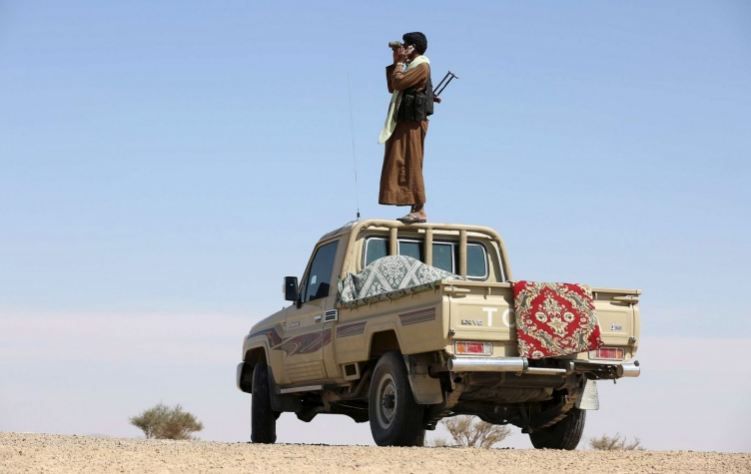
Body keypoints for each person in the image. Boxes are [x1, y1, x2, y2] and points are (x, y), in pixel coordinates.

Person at [378, 32, 433, 224]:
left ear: (412, 47)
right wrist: (397, 62)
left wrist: (400, 63)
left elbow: (399, 82)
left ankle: (419, 210)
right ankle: (415, 208)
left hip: (412, 122)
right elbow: (393, 87)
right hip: (404, 120)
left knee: (412, 162)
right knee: (402, 162)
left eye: (405, 45)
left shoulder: (421, 65)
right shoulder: (413, 66)